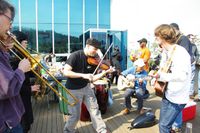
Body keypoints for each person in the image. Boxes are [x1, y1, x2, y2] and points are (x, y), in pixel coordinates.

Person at [63, 38, 114, 133]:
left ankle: (102, 130)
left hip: (86, 87)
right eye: (94, 49)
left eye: (97, 50)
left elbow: (93, 78)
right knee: (75, 115)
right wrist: (83, 75)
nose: (96, 52)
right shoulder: (75, 56)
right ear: (87, 46)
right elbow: (66, 72)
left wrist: (105, 72)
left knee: (95, 110)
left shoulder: (93, 59)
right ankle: (68, 131)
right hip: (73, 89)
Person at [150, 24, 191, 133]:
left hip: (177, 98)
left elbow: (182, 76)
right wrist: (156, 77)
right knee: (163, 125)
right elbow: (163, 70)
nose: (155, 39)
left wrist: (161, 76)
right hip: (168, 94)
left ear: (162, 37)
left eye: (156, 36)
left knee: (164, 126)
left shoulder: (180, 52)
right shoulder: (166, 52)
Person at [0, 0, 31, 132]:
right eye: (10, 20)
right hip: (6, 124)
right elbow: (7, 88)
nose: (11, 26)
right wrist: (21, 69)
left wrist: (4, 50)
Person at [10, 31, 40, 133]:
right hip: (19, 98)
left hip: (25, 96)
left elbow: (25, 74)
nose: (27, 45)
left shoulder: (22, 55)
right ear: (18, 43)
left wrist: (35, 71)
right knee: (24, 124)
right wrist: (30, 88)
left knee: (27, 122)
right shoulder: (14, 58)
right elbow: (11, 84)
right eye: (25, 42)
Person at [170, 23, 195, 132]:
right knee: (175, 100)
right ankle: (175, 124)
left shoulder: (183, 39)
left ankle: (177, 125)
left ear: (176, 30)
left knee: (178, 100)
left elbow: (182, 57)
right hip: (179, 73)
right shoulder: (178, 39)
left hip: (183, 73)